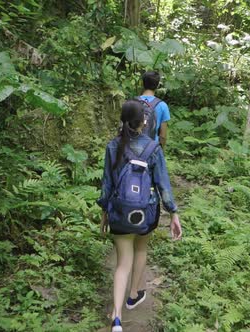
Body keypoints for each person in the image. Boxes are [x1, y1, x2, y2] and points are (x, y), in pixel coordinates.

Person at [97, 99, 182, 332]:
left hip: (120, 211)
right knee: (141, 249)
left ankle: (116, 318)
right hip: (145, 211)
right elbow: (163, 185)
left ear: (123, 120)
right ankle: (133, 296)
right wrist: (173, 213)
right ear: (144, 121)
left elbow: (107, 184)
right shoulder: (153, 148)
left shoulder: (112, 146)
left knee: (122, 264)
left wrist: (104, 212)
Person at [139, 71, 171, 149]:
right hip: (152, 149)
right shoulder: (162, 105)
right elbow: (162, 136)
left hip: (132, 149)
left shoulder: (132, 102)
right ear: (157, 85)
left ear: (143, 83)